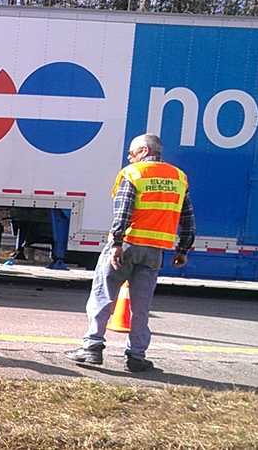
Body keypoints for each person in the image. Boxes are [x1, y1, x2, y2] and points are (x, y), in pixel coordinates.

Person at [65, 133, 195, 372]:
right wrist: (183, 249)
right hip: (154, 252)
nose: (129, 157)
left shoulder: (134, 173)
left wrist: (116, 243)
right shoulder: (179, 177)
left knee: (103, 296)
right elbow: (187, 217)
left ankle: (92, 347)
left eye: (132, 152)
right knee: (141, 306)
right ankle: (136, 356)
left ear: (144, 151)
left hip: (127, 246)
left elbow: (123, 211)